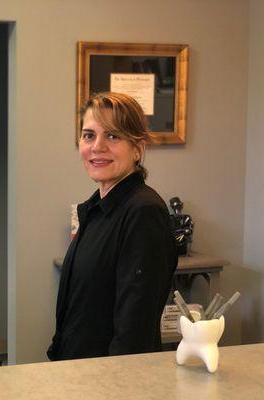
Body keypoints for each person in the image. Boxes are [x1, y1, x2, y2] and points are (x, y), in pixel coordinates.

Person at [47, 92, 177, 361]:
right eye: (89, 135)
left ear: (138, 148)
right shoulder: (96, 209)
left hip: (111, 380)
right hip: (78, 369)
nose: (97, 147)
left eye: (113, 136)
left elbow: (135, 329)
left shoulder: (143, 212)